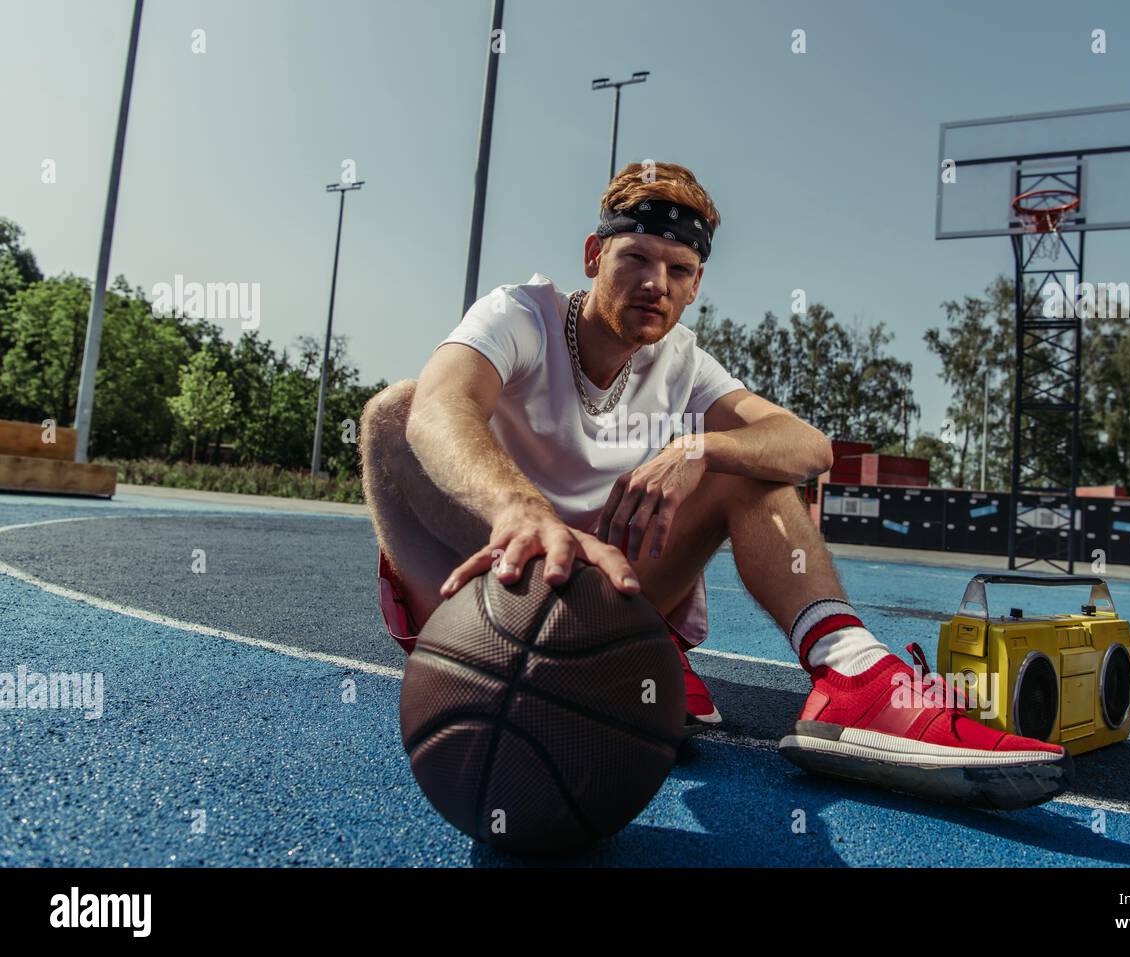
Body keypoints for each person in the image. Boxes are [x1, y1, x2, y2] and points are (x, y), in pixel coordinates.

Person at [360, 160, 1073, 809]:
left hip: (607, 586)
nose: (655, 284)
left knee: (752, 466)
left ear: (696, 284)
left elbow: (809, 447)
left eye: (677, 268)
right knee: (389, 415)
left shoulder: (681, 359)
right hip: (492, 577)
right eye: (634, 258)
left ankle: (851, 678)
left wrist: (704, 446)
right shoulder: (522, 314)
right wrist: (520, 508)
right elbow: (435, 409)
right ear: (592, 256)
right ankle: (464, 652)